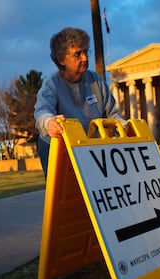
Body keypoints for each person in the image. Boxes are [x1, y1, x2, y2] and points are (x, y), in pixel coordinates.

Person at [34, 27, 126, 177]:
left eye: (86, 51)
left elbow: (112, 114)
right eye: (78, 54)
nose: (84, 58)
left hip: (90, 147)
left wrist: (126, 128)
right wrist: (49, 122)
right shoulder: (51, 84)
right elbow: (42, 111)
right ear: (61, 59)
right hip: (58, 148)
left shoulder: (96, 81)